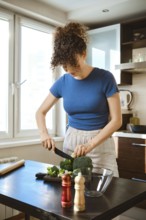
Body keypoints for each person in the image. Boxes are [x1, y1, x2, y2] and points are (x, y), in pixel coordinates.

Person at [35, 22, 122, 177]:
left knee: (108, 194)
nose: (70, 70)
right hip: (71, 144)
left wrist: (90, 144)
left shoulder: (105, 78)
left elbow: (117, 121)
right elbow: (40, 112)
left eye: (73, 64)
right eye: (65, 66)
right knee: (73, 193)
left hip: (100, 144)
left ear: (83, 53)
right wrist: (44, 134)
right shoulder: (63, 82)